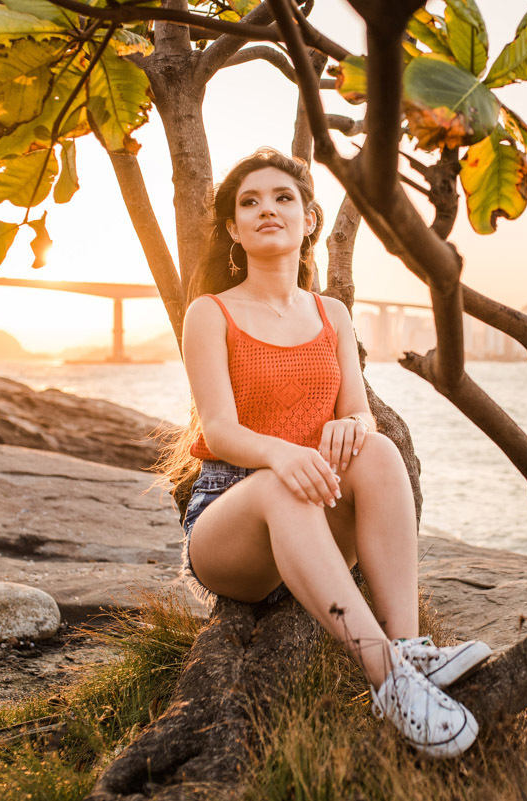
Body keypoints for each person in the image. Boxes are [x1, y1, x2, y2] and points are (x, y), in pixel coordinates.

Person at [156, 147, 491, 758]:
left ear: (310, 219)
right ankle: (388, 681)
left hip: (311, 515)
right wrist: (284, 455)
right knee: (281, 485)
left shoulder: (330, 313)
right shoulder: (211, 313)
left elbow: (356, 408)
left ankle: (410, 650)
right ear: (233, 229)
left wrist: (353, 428)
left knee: (381, 453)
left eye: (283, 198)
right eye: (250, 202)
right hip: (232, 525)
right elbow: (221, 429)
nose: (267, 210)